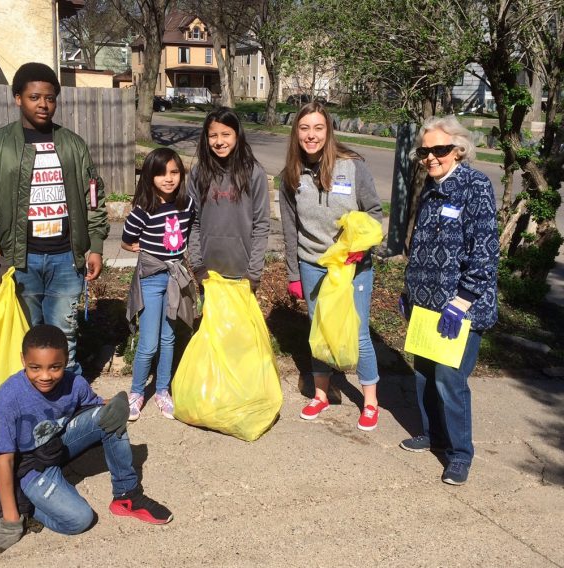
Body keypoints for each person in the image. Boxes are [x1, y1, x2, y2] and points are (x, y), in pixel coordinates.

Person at [0, 324, 173, 553]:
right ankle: (18, 494)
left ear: (66, 360)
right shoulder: (8, 397)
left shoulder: (75, 383)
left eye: (55, 367)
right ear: (23, 360)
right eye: (35, 367)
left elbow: (96, 408)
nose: (45, 376)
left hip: (56, 445)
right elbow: (3, 459)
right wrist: (11, 520)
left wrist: (119, 401)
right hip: (29, 467)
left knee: (111, 417)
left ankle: (126, 494)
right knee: (79, 520)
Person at [0, 62, 109, 375]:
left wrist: (96, 245)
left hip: (66, 258)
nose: (43, 104)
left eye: (50, 98)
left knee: (64, 335)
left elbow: (94, 198)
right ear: (17, 98)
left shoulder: (73, 145)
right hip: (20, 260)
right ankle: (30, 403)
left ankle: (68, 400)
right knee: (26, 334)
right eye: (35, 97)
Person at [399, 115, 498, 485]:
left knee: (449, 379)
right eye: (425, 150)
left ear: (458, 150)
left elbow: (485, 253)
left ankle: (459, 454)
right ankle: (433, 435)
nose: (430, 157)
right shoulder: (430, 186)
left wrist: (461, 302)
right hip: (425, 305)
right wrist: (410, 291)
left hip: (460, 308)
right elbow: (423, 247)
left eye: (438, 149)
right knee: (424, 374)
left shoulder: (475, 186)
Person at [279, 102, 383, 431]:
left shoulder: (353, 167)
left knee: (359, 331)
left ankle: (370, 401)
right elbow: (290, 229)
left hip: (353, 266)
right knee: (319, 331)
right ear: (296, 132)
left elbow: (374, 212)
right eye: (305, 128)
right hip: (313, 265)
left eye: (318, 128)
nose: (311, 135)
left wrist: (359, 247)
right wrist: (294, 274)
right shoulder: (290, 176)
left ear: (328, 131)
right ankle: (322, 395)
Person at [121, 148, 196, 421]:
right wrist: (138, 249)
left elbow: (186, 234)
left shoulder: (187, 205)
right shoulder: (143, 209)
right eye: (161, 173)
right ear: (150, 176)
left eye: (174, 172)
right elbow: (127, 238)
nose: (168, 178)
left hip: (175, 277)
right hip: (151, 279)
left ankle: (163, 391)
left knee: (169, 338)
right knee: (149, 342)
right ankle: (137, 392)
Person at [187, 107, 270, 292]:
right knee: (211, 322)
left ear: (237, 136)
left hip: (243, 274)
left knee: (240, 322)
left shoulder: (254, 173)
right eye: (213, 135)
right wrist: (198, 266)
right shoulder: (198, 173)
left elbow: (261, 225)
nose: (219, 141)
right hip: (209, 274)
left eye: (226, 134)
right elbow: (193, 223)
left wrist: (254, 273)